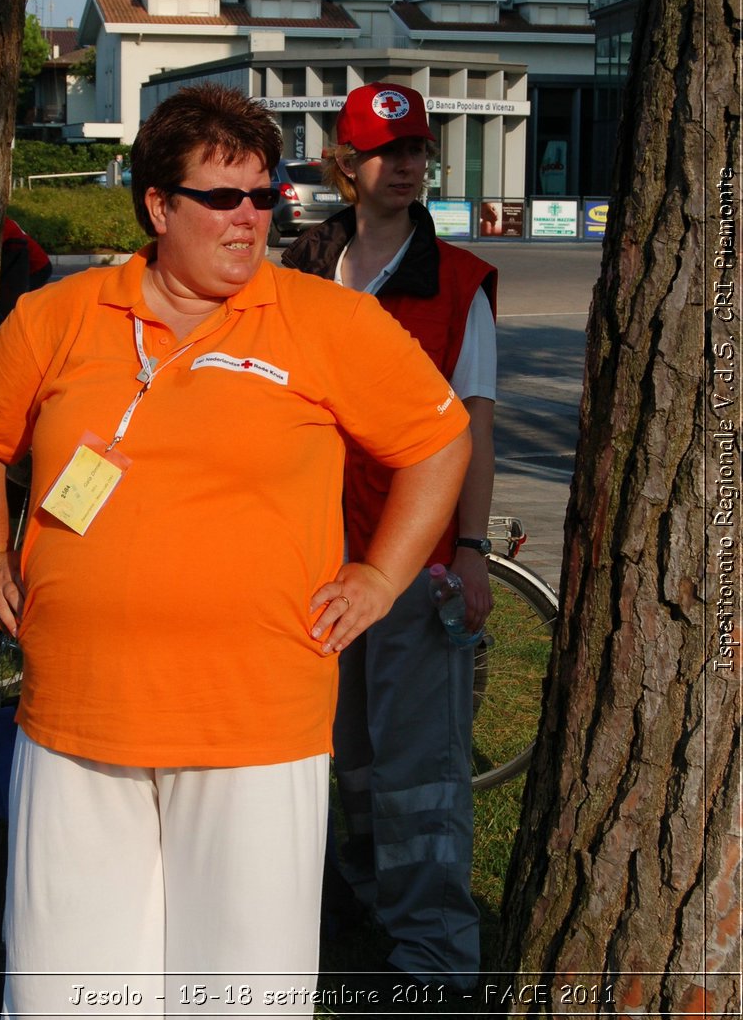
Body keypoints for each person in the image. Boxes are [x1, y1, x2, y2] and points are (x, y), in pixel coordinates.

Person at [0, 85, 471, 1019]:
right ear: (157, 205)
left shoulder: (324, 320)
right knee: (70, 998)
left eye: (265, 198)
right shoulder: (62, 316)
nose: (250, 220)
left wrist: (382, 575)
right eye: (224, 199)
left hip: (256, 729)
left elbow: (439, 439)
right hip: (77, 720)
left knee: (237, 997)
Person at [283, 82, 498, 998]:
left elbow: (475, 427)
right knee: (344, 757)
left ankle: (437, 953)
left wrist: (473, 550)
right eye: (387, 152)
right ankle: (367, 904)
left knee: (421, 769)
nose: (408, 165)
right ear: (346, 164)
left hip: (414, 563)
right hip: (305, 563)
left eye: (417, 150)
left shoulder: (457, 285)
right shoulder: (295, 270)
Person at [0, 217, 52, 325]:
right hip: (36, 265)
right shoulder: (6, 222)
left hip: (38, 268)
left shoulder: (3, 225)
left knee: (17, 301)